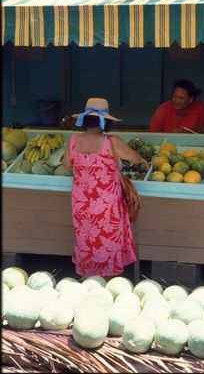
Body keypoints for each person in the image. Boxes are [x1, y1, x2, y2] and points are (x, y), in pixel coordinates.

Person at [62, 97, 148, 278]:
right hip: (106, 207)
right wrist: (142, 164)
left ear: (84, 119)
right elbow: (137, 160)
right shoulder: (112, 142)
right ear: (106, 121)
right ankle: (107, 283)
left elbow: (66, 165)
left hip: (81, 205)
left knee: (86, 240)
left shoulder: (73, 140)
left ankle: (88, 280)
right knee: (107, 241)